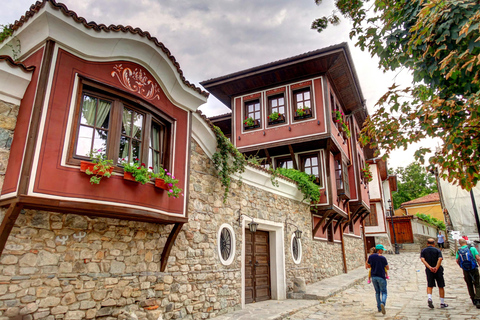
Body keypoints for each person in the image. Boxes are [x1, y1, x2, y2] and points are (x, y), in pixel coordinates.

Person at [420, 238, 447, 308]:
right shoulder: (437, 250)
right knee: (441, 285)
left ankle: (429, 298)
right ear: (434, 244)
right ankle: (442, 302)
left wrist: (430, 267)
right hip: (438, 270)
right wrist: (436, 267)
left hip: (429, 270)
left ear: (427, 243)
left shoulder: (424, 251)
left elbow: (422, 259)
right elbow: (440, 258)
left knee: (430, 285)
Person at [457, 238, 480, 308]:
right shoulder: (472, 248)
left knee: (469, 284)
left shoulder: (459, 251)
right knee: (477, 284)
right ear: (466, 242)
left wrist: (462, 267)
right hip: (474, 268)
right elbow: (478, 258)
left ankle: (473, 299)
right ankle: (478, 299)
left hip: (466, 270)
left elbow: (457, 260)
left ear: (460, 244)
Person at [367, 244, 389, 314]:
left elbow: (369, 265)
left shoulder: (371, 257)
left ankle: (379, 307)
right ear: (379, 250)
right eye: (382, 250)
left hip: (374, 276)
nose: (382, 251)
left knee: (377, 292)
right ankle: (382, 303)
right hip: (381, 276)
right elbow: (387, 267)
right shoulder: (383, 258)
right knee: (384, 292)